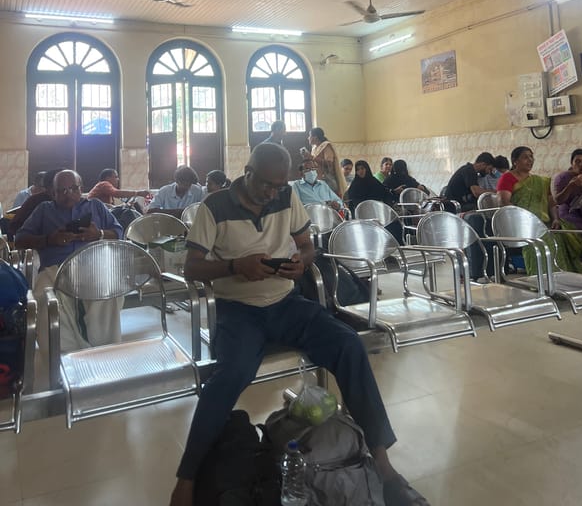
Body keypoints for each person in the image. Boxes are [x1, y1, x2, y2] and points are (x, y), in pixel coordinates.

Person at [169, 143, 412, 506]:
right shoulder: (214, 207)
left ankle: (381, 459)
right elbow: (192, 268)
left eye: (280, 185)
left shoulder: (286, 196)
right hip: (238, 310)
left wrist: (301, 262)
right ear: (247, 172)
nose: (273, 192)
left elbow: (306, 245)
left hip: (286, 303)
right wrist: (237, 266)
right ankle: (186, 479)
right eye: (267, 185)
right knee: (229, 376)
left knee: (348, 345)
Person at [14, 169, 123, 356]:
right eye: (62, 191)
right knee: (44, 298)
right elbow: (20, 239)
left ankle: (102, 352)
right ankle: (64, 356)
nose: (68, 194)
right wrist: (49, 239)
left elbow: (119, 232)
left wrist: (99, 234)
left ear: (81, 188)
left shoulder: (95, 206)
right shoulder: (44, 210)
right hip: (55, 269)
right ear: (52, 193)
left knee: (107, 294)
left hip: (92, 266)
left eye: (73, 188)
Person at [497, 146, 582, 275]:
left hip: (542, 222)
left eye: (531, 156)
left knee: (562, 236)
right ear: (514, 161)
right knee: (544, 239)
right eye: (525, 157)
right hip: (520, 224)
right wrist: (526, 220)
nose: (530, 160)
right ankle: (540, 279)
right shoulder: (507, 178)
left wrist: (555, 219)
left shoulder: (540, 181)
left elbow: (551, 203)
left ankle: (563, 279)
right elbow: (504, 202)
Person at [553, 149, 582, 276]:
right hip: (569, 216)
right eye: (577, 161)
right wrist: (571, 185)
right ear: (572, 163)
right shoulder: (563, 177)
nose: (581, 165)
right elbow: (558, 200)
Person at [300, 127, 345, 197]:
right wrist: (307, 157)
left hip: (327, 180)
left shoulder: (326, 146)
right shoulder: (315, 148)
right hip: (318, 179)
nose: (308, 138)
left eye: (310, 136)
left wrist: (312, 157)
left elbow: (329, 163)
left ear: (315, 137)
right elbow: (314, 163)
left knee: (330, 201)